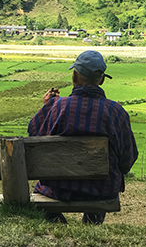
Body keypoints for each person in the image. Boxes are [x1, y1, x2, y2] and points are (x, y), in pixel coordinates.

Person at [28, 50, 138, 224]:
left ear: (74, 76)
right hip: (101, 190)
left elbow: (34, 140)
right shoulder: (116, 112)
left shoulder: (56, 107)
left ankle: (60, 227)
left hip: (57, 188)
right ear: (101, 80)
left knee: (42, 200)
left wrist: (47, 105)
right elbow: (127, 159)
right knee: (101, 186)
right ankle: (91, 224)